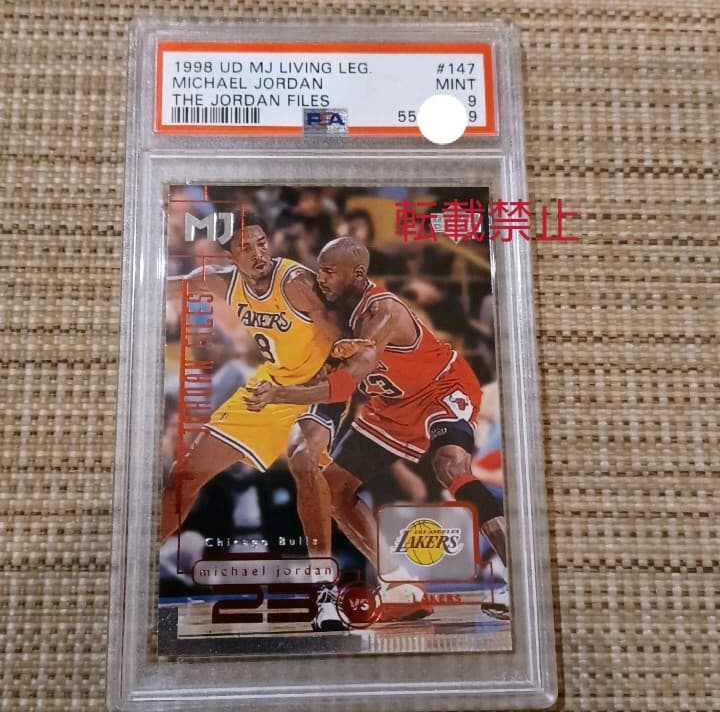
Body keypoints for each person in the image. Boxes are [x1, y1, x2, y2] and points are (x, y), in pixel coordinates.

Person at [247, 237, 508, 626]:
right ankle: (401, 586)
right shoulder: (330, 310)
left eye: (329, 271)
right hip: (394, 403)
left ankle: (517, 575)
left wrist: (279, 394)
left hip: (440, 386)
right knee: (334, 488)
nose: (321, 278)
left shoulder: (381, 311)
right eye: (319, 270)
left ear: (358, 274)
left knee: (450, 466)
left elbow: (345, 384)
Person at [160, 215, 346, 560]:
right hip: (272, 383)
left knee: (304, 463)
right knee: (184, 473)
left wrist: (337, 367)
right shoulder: (222, 282)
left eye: (262, 244)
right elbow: (172, 285)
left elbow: (341, 331)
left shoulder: (295, 282)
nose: (259, 253)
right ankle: (140, 556)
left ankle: (322, 578)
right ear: (230, 257)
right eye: (246, 248)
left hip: (319, 385)